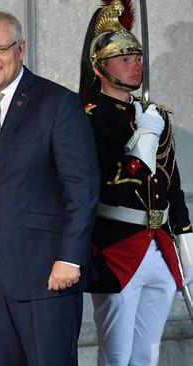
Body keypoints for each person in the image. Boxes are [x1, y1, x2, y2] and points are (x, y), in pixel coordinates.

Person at [0, 11, 100, 366]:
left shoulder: (56, 102)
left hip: (46, 273)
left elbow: (81, 186)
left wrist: (70, 257)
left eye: (0, 48)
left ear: (22, 48)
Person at [78, 1, 193, 365]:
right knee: (117, 355)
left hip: (159, 245)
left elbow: (170, 183)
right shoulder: (87, 120)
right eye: (124, 59)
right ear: (100, 68)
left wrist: (187, 241)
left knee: (147, 353)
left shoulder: (152, 115)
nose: (135, 65)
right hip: (115, 249)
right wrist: (144, 135)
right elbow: (111, 186)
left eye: (138, 57)